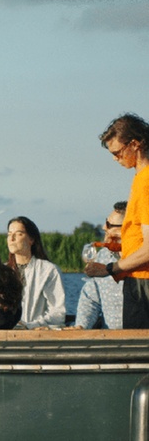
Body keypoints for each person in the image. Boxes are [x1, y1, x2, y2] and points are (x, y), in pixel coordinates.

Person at [85, 113, 149, 329]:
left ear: (135, 144)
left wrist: (110, 268)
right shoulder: (140, 179)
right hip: (136, 279)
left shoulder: (147, 182)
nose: (115, 159)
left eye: (118, 153)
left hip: (143, 283)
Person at [70, 201, 126, 330]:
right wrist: (81, 326)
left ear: (129, 227)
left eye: (110, 225)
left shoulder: (143, 259)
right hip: (110, 340)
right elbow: (90, 298)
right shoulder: (103, 256)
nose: (104, 227)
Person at [6, 216, 66, 328]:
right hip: (6, 334)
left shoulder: (49, 270)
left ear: (31, 239)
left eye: (19, 234)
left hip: (36, 334)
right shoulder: (1, 271)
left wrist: (29, 325)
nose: (12, 238)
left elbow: (58, 313)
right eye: (9, 234)